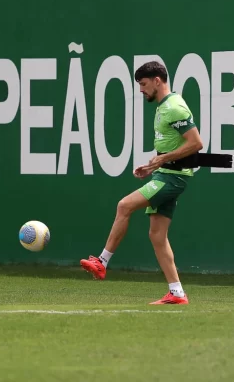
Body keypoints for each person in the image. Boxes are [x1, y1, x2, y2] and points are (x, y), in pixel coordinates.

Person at [80, 61, 203, 305]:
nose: (141, 90)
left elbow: (196, 143)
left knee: (124, 205)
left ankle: (102, 262)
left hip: (174, 178)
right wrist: (152, 166)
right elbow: (171, 147)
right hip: (165, 174)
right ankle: (177, 293)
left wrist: (163, 160)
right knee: (157, 236)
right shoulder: (162, 107)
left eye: (144, 84)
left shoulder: (175, 107)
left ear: (158, 80)